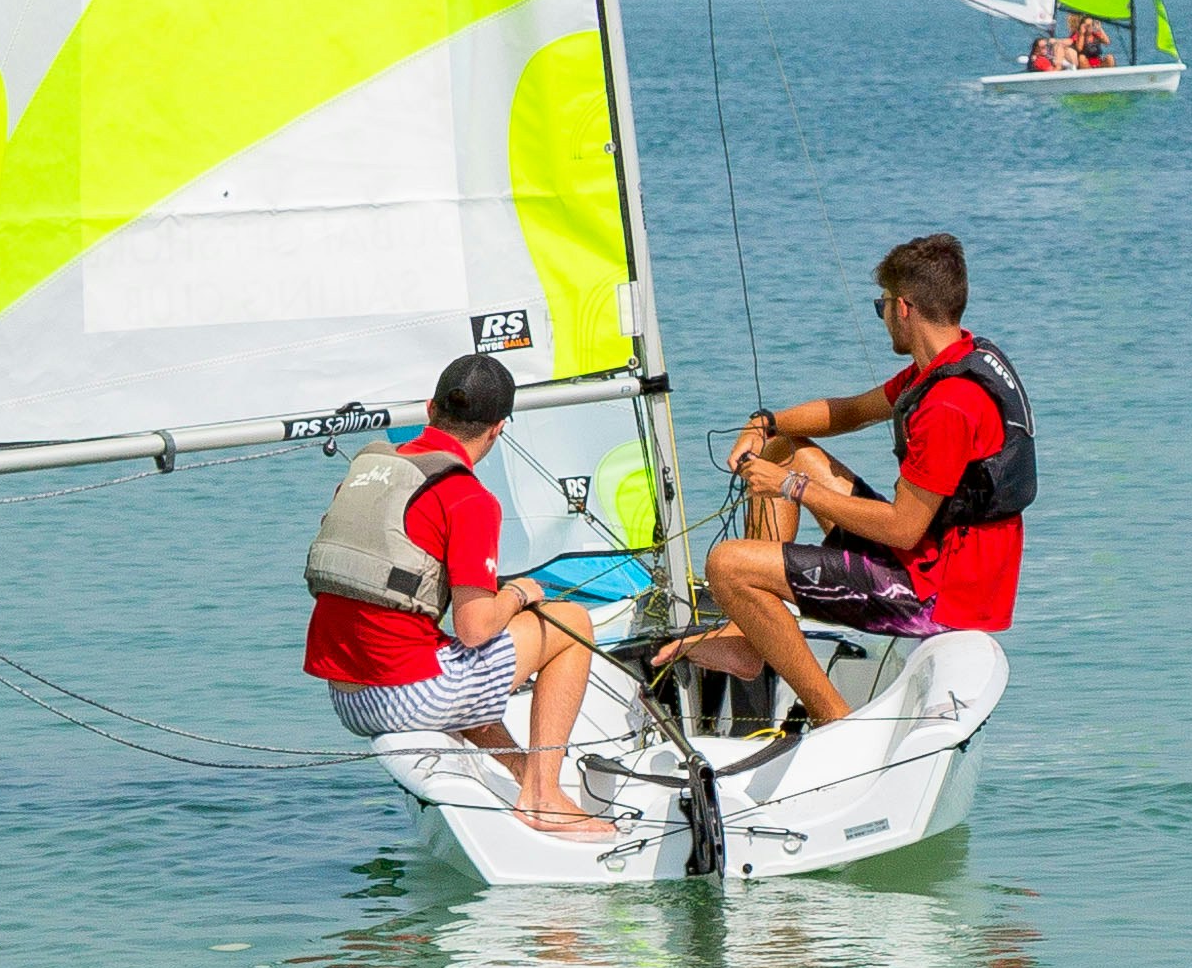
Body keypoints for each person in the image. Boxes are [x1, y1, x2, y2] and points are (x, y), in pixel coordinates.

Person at [680, 233, 1031, 730]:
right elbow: (851, 411)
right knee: (788, 449)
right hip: (935, 559)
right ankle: (746, 633)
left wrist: (789, 488)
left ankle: (833, 718)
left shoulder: (950, 405)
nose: (882, 314)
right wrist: (767, 423)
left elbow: (904, 529)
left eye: (882, 305)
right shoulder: (946, 364)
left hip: (937, 595)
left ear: (904, 308)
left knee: (727, 564)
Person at [305, 354, 616, 834]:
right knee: (572, 622)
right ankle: (542, 798)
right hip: (405, 698)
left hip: (346, 698)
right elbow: (474, 630)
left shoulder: (367, 469)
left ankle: (523, 774)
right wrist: (517, 595)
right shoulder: (469, 498)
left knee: (449, 657)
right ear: (496, 431)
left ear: (430, 409)